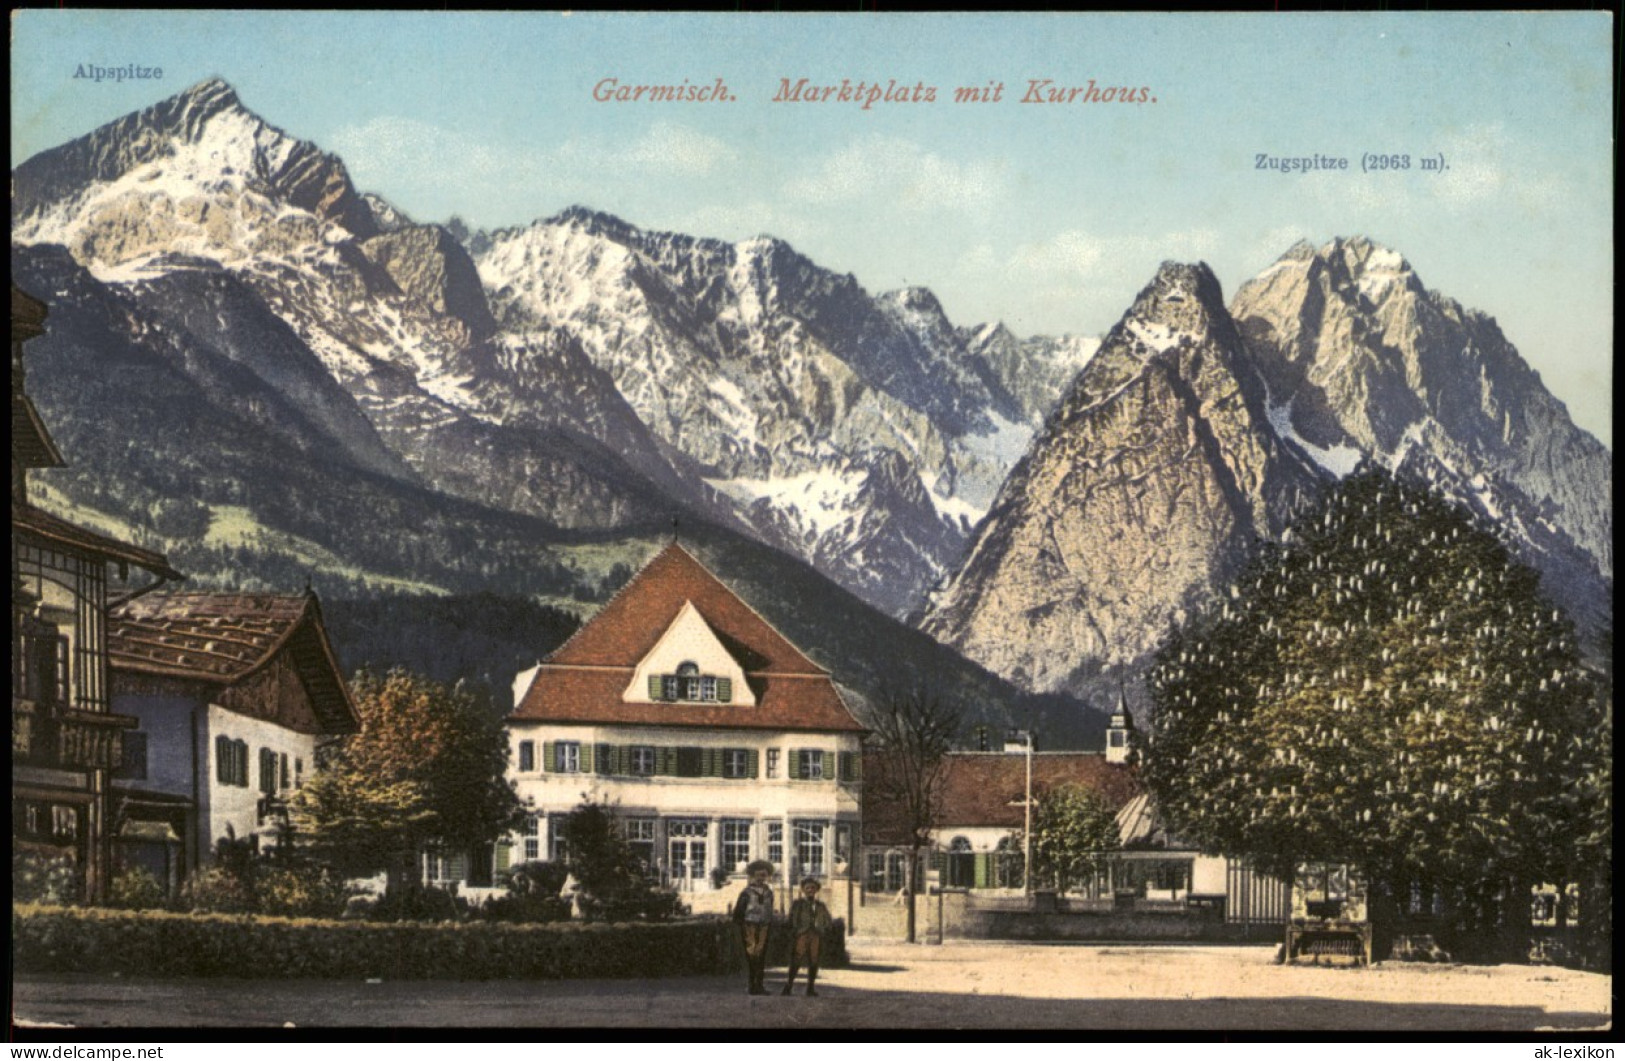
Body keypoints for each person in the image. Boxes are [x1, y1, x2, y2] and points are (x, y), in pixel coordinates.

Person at [781, 876, 832, 996]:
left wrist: (823, 929)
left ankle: (810, 988)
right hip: (802, 934)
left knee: (814, 960)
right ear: (803, 890)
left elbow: (827, 920)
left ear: (817, 890)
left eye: (813, 888)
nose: (810, 890)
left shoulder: (820, 906)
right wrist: (796, 931)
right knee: (797, 959)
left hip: (816, 935)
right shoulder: (798, 904)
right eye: (807, 888)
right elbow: (792, 919)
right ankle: (788, 986)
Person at [731, 859, 775, 996]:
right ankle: (752, 985)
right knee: (751, 955)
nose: (761, 879)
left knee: (761, 955)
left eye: (764, 876)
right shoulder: (747, 893)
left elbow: (769, 909)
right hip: (749, 925)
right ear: (752, 876)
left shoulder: (769, 892)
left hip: (764, 925)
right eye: (758, 876)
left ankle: (759, 985)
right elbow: (739, 912)